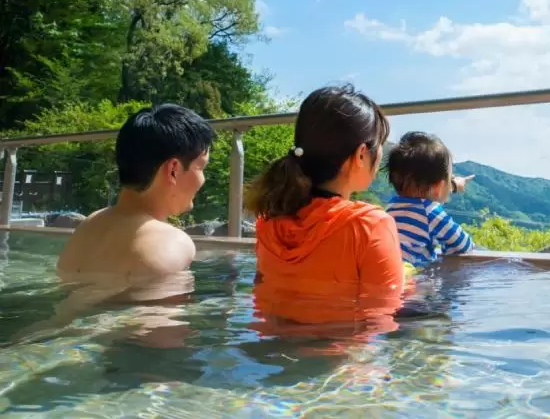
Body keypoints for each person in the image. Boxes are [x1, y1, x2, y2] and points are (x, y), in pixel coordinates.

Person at [245, 84, 406, 327]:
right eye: (379, 144)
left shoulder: (268, 222)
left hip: (276, 353)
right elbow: (383, 317)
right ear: (361, 154)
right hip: (344, 361)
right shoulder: (369, 225)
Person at [56, 103, 214, 281]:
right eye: (201, 167)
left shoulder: (87, 227)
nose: (203, 180)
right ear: (173, 170)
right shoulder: (172, 244)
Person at [386, 131, 475, 268]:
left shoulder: (391, 207)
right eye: (450, 177)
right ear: (439, 186)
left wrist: (452, 185)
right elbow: (463, 244)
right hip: (411, 280)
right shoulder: (430, 213)